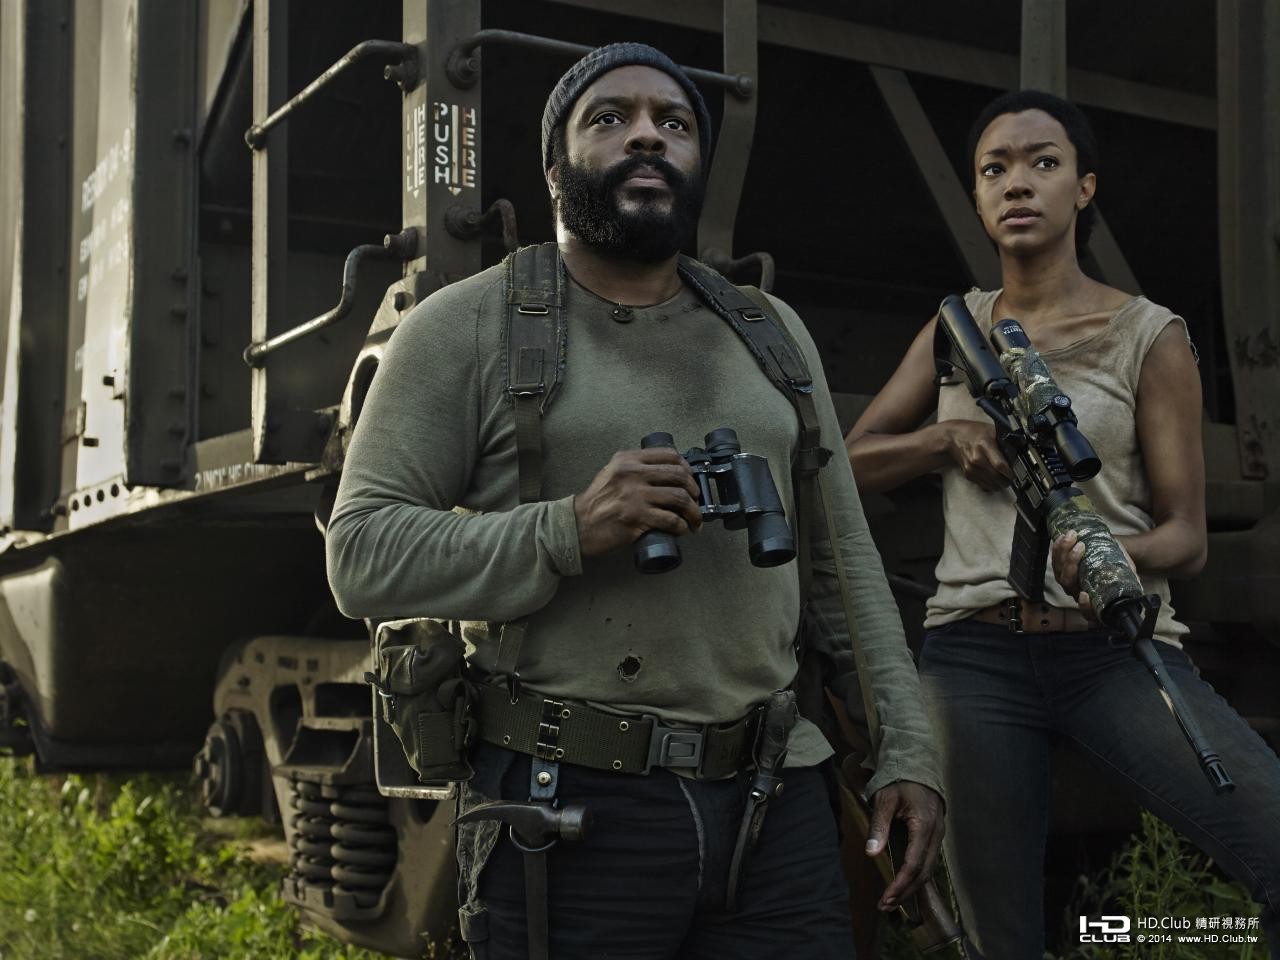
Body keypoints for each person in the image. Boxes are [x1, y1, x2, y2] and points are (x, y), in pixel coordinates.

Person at [326, 41, 944, 960]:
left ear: (697, 164)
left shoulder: (770, 332)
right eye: (610, 119)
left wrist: (907, 751)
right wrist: (569, 529)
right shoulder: (463, 326)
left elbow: (845, 567)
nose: (648, 136)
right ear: (555, 168)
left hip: (773, 804)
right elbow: (361, 555)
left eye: (675, 123)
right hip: (567, 808)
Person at [846, 88, 1280, 959]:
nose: (1018, 183)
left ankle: (1144, 940)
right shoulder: (955, 329)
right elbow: (848, 461)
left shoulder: (1149, 335)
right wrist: (943, 440)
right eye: (995, 169)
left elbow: (1186, 536)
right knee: (995, 936)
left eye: (1044, 163)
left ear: (1084, 188)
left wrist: (1107, 552)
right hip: (973, 655)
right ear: (978, 196)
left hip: (1112, 648)